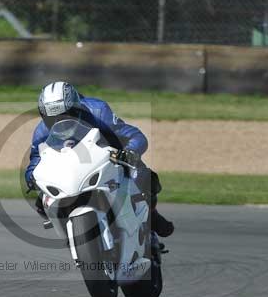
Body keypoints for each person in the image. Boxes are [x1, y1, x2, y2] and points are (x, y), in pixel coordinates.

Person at [25, 81, 174, 237]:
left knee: (144, 178)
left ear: (77, 108)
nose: (60, 122)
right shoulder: (41, 132)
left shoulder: (98, 111)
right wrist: (31, 176)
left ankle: (152, 217)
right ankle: (71, 235)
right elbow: (35, 159)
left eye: (66, 115)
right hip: (71, 171)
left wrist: (130, 152)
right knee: (42, 202)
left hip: (109, 159)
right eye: (52, 118)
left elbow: (135, 136)